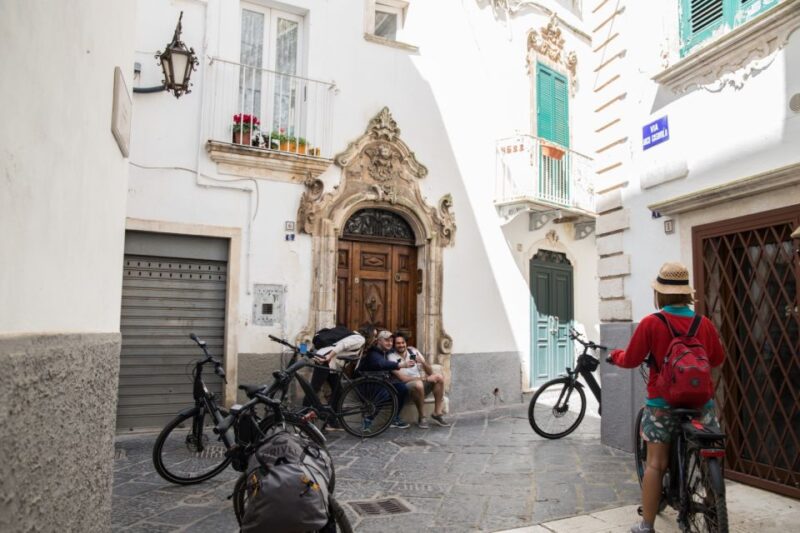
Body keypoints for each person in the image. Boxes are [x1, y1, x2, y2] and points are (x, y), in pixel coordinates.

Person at [609, 262, 725, 533]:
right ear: (687, 294)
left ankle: (646, 525)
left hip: (662, 405)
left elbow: (632, 359)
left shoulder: (652, 322)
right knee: (710, 458)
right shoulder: (703, 323)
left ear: (659, 294)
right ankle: (713, 508)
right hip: (701, 404)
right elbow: (717, 358)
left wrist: (615, 356)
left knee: (655, 464)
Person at [304, 324, 372, 429]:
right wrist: (328, 357)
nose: (375, 339)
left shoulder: (352, 335)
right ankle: (301, 418)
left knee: (338, 392)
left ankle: (331, 420)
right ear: (370, 335)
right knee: (313, 389)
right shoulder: (360, 339)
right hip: (326, 361)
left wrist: (305, 352)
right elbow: (342, 345)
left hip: (332, 365)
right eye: (375, 336)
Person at [389, 332, 449, 428]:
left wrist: (422, 362)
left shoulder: (413, 351)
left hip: (420, 383)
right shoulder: (391, 357)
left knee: (439, 377)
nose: (401, 345)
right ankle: (422, 417)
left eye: (403, 342)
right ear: (394, 345)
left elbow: (430, 372)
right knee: (418, 384)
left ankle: (437, 413)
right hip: (405, 387)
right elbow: (403, 378)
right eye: (398, 343)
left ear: (406, 343)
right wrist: (425, 378)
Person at [358, 330, 414, 429]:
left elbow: (398, 350)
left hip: (380, 382)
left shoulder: (386, 351)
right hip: (367, 384)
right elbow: (382, 364)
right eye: (387, 340)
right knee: (385, 392)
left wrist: (410, 350)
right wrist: (402, 364)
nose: (390, 343)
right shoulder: (373, 353)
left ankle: (394, 418)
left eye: (391, 341)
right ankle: (368, 420)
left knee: (402, 388)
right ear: (379, 341)